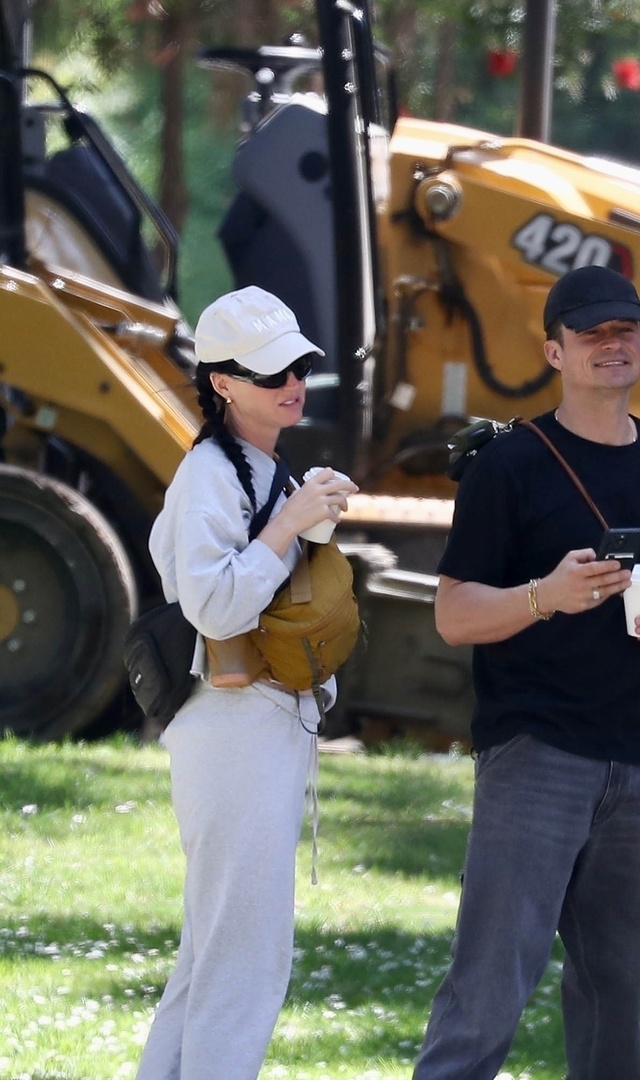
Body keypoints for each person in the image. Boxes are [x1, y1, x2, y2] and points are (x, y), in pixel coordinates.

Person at [413, 264, 640, 1080]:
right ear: (555, 351)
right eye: (593, 334)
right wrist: (545, 597)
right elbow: (452, 614)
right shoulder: (509, 465)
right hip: (536, 756)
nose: (613, 345)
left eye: (627, 330)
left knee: (617, 1002)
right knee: (488, 991)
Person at [135, 286, 358, 1080]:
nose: (292, 383)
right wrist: (289, 524)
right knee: (245, 963)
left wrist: (309, 515)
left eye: (298, 366)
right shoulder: (208, 472)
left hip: (254, 724)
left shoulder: (257, 464)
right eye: (271, 375)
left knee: (211, 959)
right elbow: (214, 603)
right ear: (222, 383)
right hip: (232, 726)